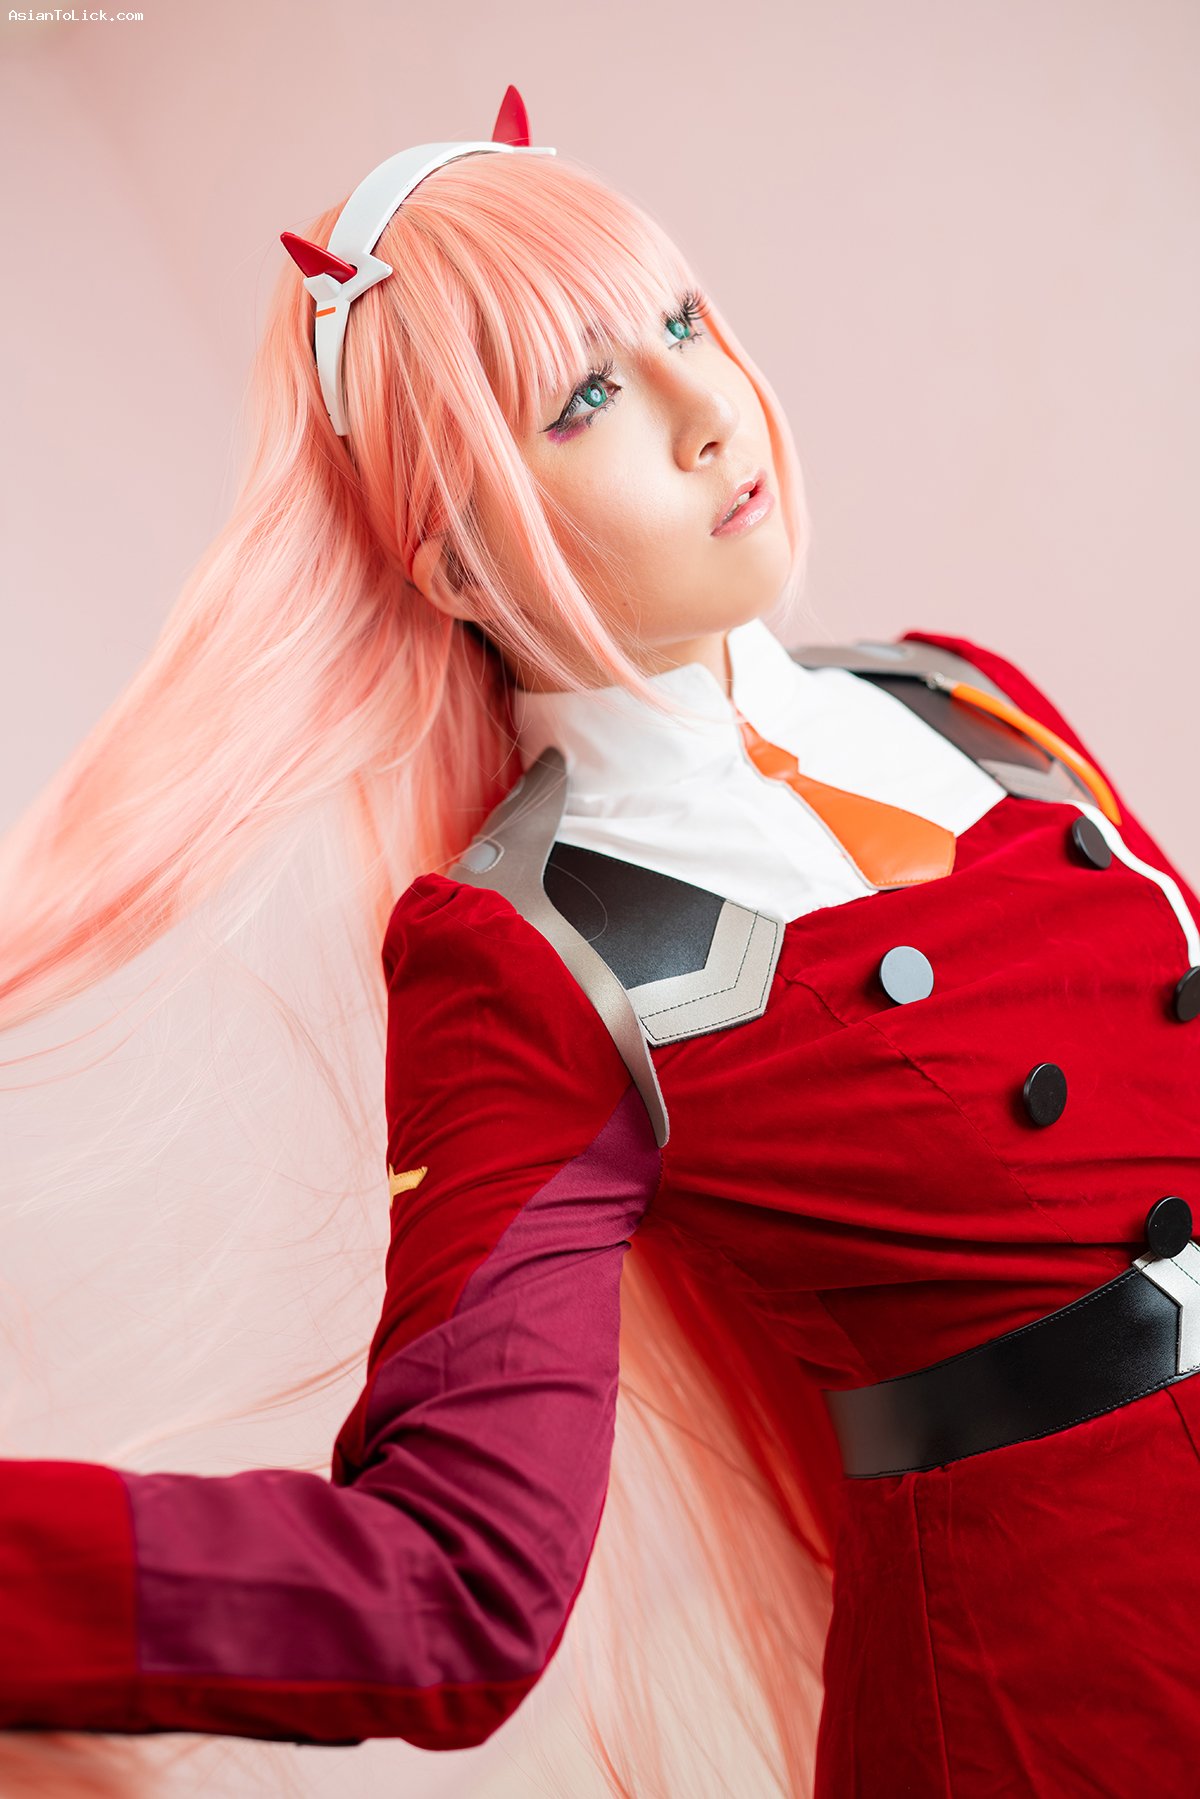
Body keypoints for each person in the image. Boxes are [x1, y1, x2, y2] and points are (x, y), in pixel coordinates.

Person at [3, 80, 1200, 1799]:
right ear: (456, 562)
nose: (711, 413)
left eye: (684, 322)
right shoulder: (526, 950)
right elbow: (453, 1589)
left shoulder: (963, 698)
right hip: (1057, 1708)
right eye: (586, 398)